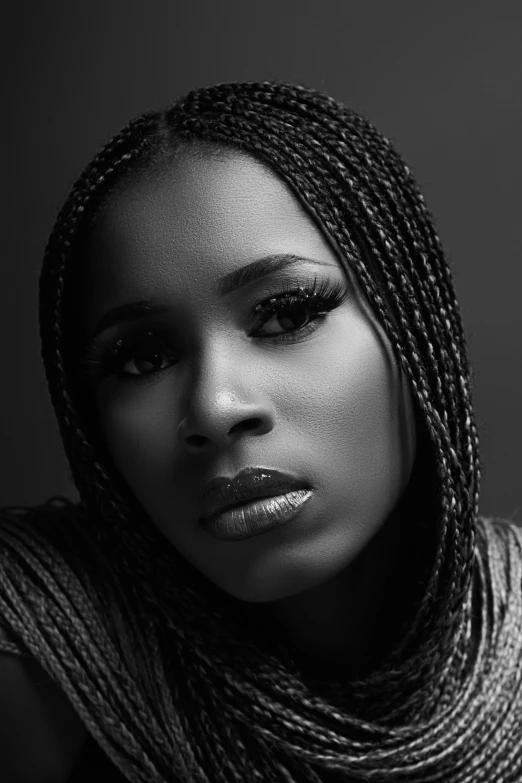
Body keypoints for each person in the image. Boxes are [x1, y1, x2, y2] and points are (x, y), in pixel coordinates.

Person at [0, 80, 521, 783]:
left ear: (414, 325)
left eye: (285, 313)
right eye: (144, 356)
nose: (215, 407)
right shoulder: (37, 658)